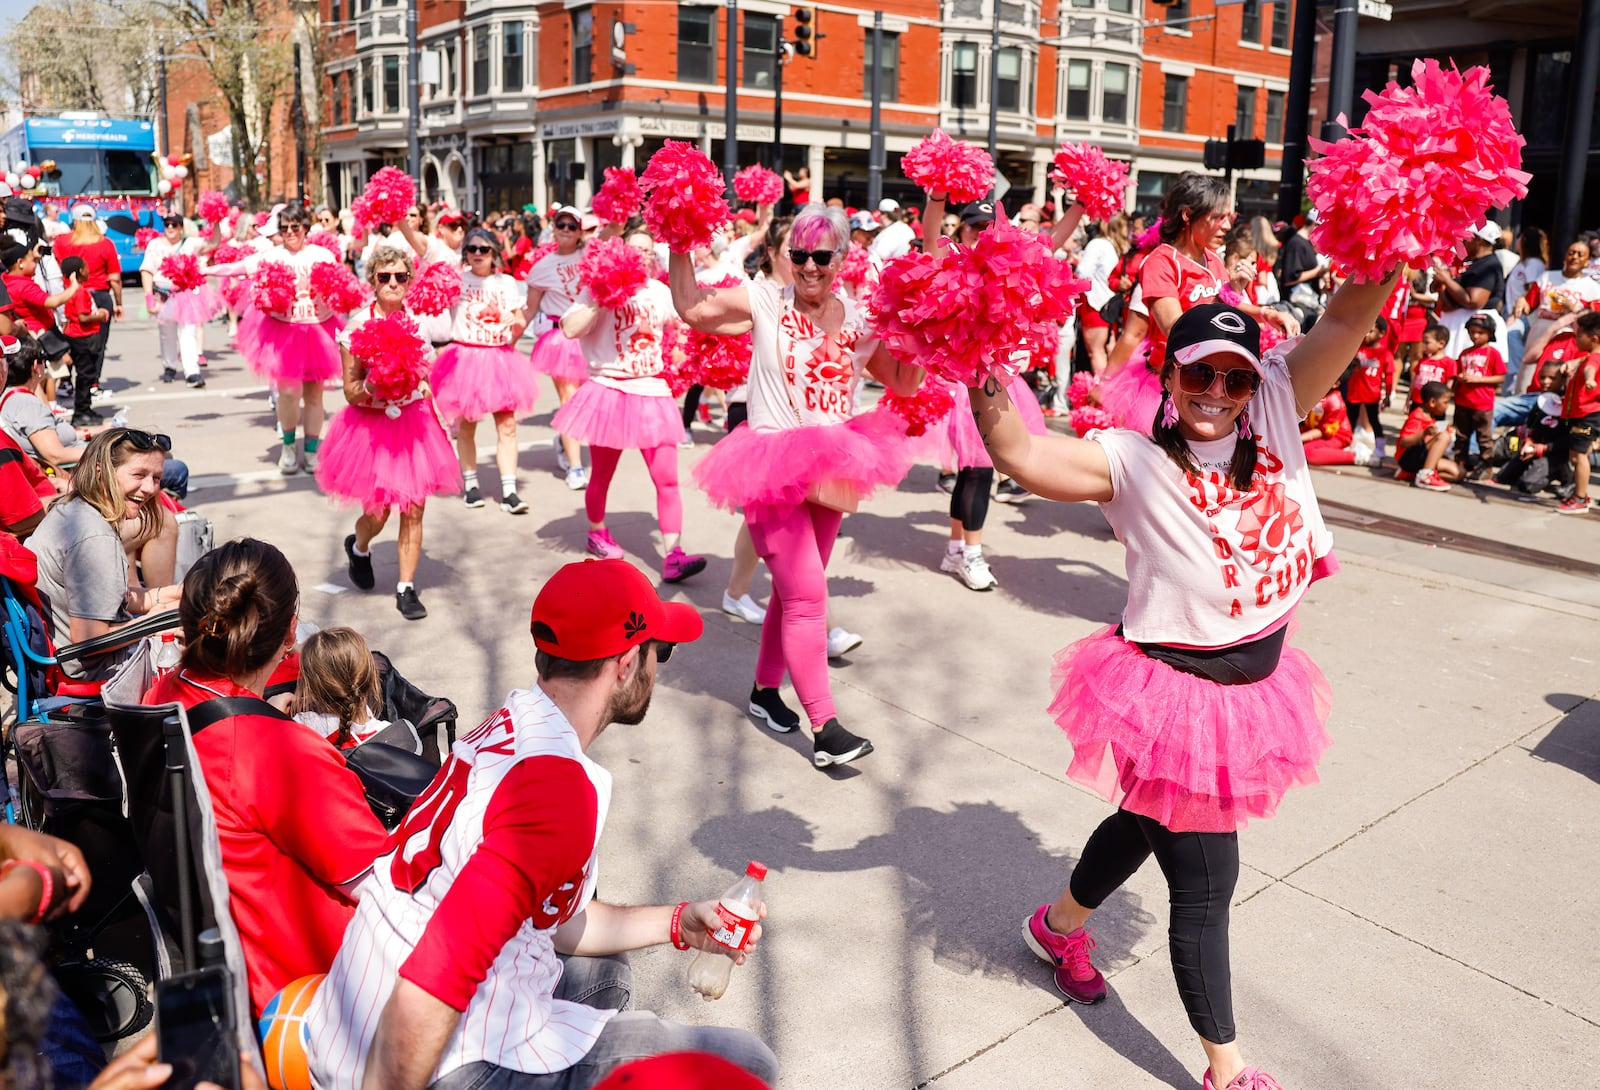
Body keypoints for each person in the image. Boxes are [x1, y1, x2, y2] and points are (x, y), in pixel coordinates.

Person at [968, 272, 1399, 1090]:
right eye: (1199, 372)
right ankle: (1227, 1070)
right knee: (1206, 884)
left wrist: (1389, 233)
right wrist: (979, 362)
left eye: (1235, 376)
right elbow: (1020, 452)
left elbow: (1345, 314)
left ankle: (1058, 927)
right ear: (1168, 376)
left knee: (1142, 819)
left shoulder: (1273, 406)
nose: (1219, 392)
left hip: (1255, 688)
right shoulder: (1131, 460)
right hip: (1177, 700)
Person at [307, 558, 779, 1090]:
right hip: (427, 1059)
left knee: (606, 973)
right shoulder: (557, 791)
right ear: (625, 664)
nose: (658, 667)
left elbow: (553, 921)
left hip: (349, 1019)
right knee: (746, 1063)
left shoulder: (513, 721)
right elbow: (436, 980)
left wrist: (679, 922)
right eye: (659, 651)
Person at [673, 205, 925, 768]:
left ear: (841, 259)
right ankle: (825, 726)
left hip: (835, 463)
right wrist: (678, 238)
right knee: (810, 595)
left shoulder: (860, 318)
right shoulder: (764, 299)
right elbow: (692, 308)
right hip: (770, 464)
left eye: (823, 256)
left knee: (792, 595)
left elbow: (905, 382)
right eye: (801, 256)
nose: (811, 267)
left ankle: (765, 693)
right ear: (789, 258)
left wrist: (923, 333)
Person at [145, 538, 387, 1015]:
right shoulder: (283, 753)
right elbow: (381, 882)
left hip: (236, 958)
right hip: (326, 990)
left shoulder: (164, 694)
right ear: (290, 633)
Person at [320, 245, 460, 620]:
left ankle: (406, 587)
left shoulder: (420, 322)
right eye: (385, 277)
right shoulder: (356, 327)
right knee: (378, 514)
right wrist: (376, 385)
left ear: (409, 280)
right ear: (373, 281)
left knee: (413, 509)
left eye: (401, 276)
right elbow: (351, 392)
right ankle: (360, 546)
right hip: (372, 427)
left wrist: (423, 386)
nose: (393, 283)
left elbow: (430, 367)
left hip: (415, 423)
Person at [557, 231, 706, 583]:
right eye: (635, 249)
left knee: (667, 479)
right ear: (620, 250)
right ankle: (597, 532)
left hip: (652, 390)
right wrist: (602, 296)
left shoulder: (659, 291)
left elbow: (685, 324)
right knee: (602, 475)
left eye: (648, 251)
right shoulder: (596, 286)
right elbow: (569, 328)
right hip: (608, 389)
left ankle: (673, 554)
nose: (642, 255)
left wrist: (685, 349)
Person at [29, 428, 181, 679]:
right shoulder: (94, 538)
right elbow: (89, 639)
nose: (150, 488)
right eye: (138, 474)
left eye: (156, 478)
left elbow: (106, 601)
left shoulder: (74, 510)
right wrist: (155, 622)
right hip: (99, 671)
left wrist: (167, 595)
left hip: (77, 659)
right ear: (102, 472)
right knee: (220, 645)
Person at [205, 203, 343, 473]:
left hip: (317, 329)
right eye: (285, 228)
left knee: (315, 396)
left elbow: (339, 288)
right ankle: (289, 446)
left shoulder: (322, 255)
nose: (290, 232)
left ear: (305, 228)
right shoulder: (271, 256)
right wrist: (206, 271)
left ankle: (312, 452)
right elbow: (238, 268)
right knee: (289, 392)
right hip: (285, 331)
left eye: (295, 227)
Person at [434, 226, 535, 513]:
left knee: (508, 426)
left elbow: (517, 318)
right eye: (472, 249)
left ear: (494, 253)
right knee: (467, 426)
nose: (477, 254)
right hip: (466, 358)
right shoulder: (455, 281)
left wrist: (510, 319)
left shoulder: (507, 283)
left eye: (483, 249)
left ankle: (510, 491)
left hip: (499, 359)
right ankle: (471, 485)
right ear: (465, 253)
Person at [525, 206, 592, 490]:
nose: (565, 229)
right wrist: (507, 341)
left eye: (571, 225)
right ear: (553, 228)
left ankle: (563, 441)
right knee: (570, 400)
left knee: (587, 402)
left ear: (579, 231)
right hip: (559, 340)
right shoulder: (541, 267)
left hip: (590, 336)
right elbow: (529, 310)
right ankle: (576, 468)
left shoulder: (591, 258)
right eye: (560, 224)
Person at [52, 206, 121, 421]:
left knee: (72, 348)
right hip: (97, 297)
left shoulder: (62, 242)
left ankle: (66, 383)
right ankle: (90, 387)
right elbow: (115, 278)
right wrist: (118, 303)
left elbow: (55, 270)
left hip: (67, 295)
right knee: (93, 351)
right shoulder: (105, 243)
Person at [1510, 238, 1600, 390]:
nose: (1575, 257)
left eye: (1580, 254)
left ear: (1587, 261)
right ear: (1565, 256)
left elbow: (1595, 320)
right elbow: (1529, 303)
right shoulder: (1547, 277)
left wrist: (1571, 306)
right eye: (1572, 253)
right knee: (1529, 374)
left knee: (1557, 378)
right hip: (1541, 330)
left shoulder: (1592, 288)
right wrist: (1521, 301)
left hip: (1570, 334)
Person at [293, 625, 390, 748]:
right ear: (371, 676)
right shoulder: (393, 734)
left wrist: (275, 709)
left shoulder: (304, 727)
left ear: (312, 688)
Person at [138, 214, 206, 386]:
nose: (170, 228)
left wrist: (216, 220)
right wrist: (149, 300)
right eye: (167, 224)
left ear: (181, 228)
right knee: (166, 334)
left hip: (184, 295)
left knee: (188, 332)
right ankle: (170, 366)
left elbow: (213, 243)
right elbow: (147, 271)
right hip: (162, 295)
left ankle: (192, 371)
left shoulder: (190, 244)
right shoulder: (155, 245)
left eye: (174, 225)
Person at [1432, 222, 1507, 359]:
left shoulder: (1489, 265)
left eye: (1468, 237)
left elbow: (1474, 301)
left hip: (1472, 329)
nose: (1463, 240)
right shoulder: (1472, 263)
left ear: (1479, 240)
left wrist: (1447, 280)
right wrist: (1443, 283)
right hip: (1456, 327)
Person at [1556, 310, 1600, 514]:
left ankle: (1580, 498)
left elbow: (1589, 370)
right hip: (1584, 414)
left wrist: (1590, 379)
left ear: (1594, 339)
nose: (1575, 338)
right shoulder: (1589, 356)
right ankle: (1580, 493)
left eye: (1579, 334)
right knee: (1580, 454)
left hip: (1587, 414)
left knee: (1579, 456)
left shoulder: (1593, 359)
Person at [58, 254, 110, 425]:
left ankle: (85, 408)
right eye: (86, 267)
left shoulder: (73, 290)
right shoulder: (80, 292)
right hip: (83, 337)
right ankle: (81, 412)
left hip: (78, 336)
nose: (89, 271)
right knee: (85, 375)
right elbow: (83, 317)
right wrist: (100, 315)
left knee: (86, 375)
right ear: (80, 271)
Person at [1452, 313, 1506, 472]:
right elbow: (1456, 373)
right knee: (1461, 436)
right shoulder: (1465, 353)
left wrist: (1477, 380)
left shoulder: (1493, 353)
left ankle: (1486, 467)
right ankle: (1459, 463)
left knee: (1484, 437)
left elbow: (1500, 377)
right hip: (1462, 401)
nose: (1475, 336)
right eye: (1472, 332)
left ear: (1490, 334)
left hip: (1482, 403)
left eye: (1480, 333)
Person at [1077, 215, 1128, 376]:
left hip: (1095, 304)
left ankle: (1103, 395)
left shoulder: (1097, 244)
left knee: (1096, 352)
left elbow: (1082, 273)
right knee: (1109, 349)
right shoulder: (1117, 245)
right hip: (1111, 305)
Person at [1396, 381, 1462, 491]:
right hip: (1408, 458)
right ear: (1432, 402)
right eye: (1445, 402)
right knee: (1444, 437)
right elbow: (1404, 441)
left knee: (1458, 473)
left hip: (1421, 456)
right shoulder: (1417, 417)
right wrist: (1424, 434)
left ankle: (1413, 474)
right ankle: (1425, 475)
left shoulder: (1431, 416)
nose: (1447, 406)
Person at [1344, 317, 1393, 460]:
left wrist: (1388, 395)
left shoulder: (1385, 353)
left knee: (1374, 421)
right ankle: (1348, 443)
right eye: (1365, 331)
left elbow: (1389, 376)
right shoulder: (1357, 348)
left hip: (1372, 394)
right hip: (1354, 392)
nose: (1367, 335)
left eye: (1371, 331)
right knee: (1350, 419)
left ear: (1381, 333)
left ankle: (1380, 447)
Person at [1409, 323, 1457, 405]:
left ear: (1441, 344)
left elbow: (1449, 385)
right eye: (1423, 342)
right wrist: (1408, 399)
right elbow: (1414, 381)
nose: (1423, 345)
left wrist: (1444, 401)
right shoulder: (1422, 361)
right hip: (1417, 400)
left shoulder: (1449, 362)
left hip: (1436, 404)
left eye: (1427, 343)